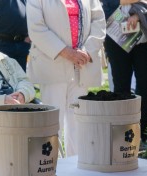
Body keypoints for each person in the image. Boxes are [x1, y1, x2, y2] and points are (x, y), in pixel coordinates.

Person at [26, 0, 106, 156]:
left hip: (82, 65)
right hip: (53, 65)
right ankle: (52, 166)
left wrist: (87, 50)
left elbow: (99, 20)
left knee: (79, 120)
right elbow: (36, 28)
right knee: (53, 121)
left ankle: (77, 165)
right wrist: (67, 52)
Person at [100, 0, 147, 146]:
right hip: (116, 36)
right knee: (121, 87)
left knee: (146, 85)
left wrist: (137, 14)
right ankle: (123, 133)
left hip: (143, 38)